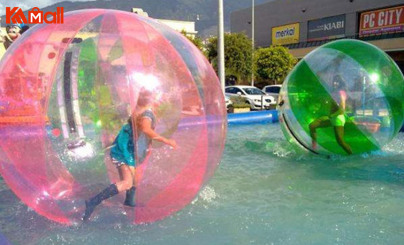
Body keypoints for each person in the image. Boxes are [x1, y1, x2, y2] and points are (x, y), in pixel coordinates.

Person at [83, 89, 177, 221]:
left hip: (128, 148)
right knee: (127, 183)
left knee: (135, 180)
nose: (160, 99)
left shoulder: (140, 109)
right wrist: (166, 140)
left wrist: (146, 146)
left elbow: (139, 131)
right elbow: (145, 129)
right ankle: (93, 201)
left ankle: (129, 205)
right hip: (125, 150)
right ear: (152, 99)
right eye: (158, 97)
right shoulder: (147, 113)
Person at [309, 75, 353, 155]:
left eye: (337, 81)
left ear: (340, 83)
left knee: (340, 142)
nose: (335, 83)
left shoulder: (341, 93)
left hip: (337, 118)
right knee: (312, 125)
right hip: (332, 117)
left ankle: (351, 155)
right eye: (334, 81)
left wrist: (331, 116)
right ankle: (314, 148)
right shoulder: (333, 92)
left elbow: (342, 109)